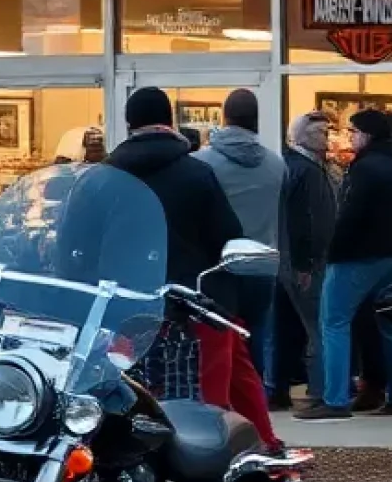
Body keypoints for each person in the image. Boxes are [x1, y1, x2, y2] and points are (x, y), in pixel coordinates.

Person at [105, 87, 278, 448]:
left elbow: (84, 242)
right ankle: (240, 454)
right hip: (197, 301)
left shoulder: (105, 177)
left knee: (131, 389)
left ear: (128, 123)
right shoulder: (196, 172)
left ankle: (262, 441)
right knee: (210, 396)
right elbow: (228, 235)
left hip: (127, 302)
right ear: (169, 121)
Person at [301, 109, 392, 422]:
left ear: (366, 134)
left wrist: (333, 252)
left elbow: (350, 216)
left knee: (334, 322)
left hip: (357, 257)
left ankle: (335, 398)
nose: (350, 136)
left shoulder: (362, 169)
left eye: (354, 131)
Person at [198, 89, 286, 377]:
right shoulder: (277, 164)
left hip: (219, 265)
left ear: (225, 118)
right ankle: (256, 395)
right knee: (256, 336)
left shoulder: (203, 163)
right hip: (263, 264)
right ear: (256, 120)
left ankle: (227, 403)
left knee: (219, 339)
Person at [275, 111, 338, 412]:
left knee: (297, 326)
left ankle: (280, 386)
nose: (327, 137)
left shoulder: (313, 168)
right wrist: (304, 262)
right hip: (305, 262)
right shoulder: (303, 170)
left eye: (327, 131)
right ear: (301, 137)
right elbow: (302, 221)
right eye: (320, 132)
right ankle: (319, 389)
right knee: (317, 326)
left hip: (303, 259)